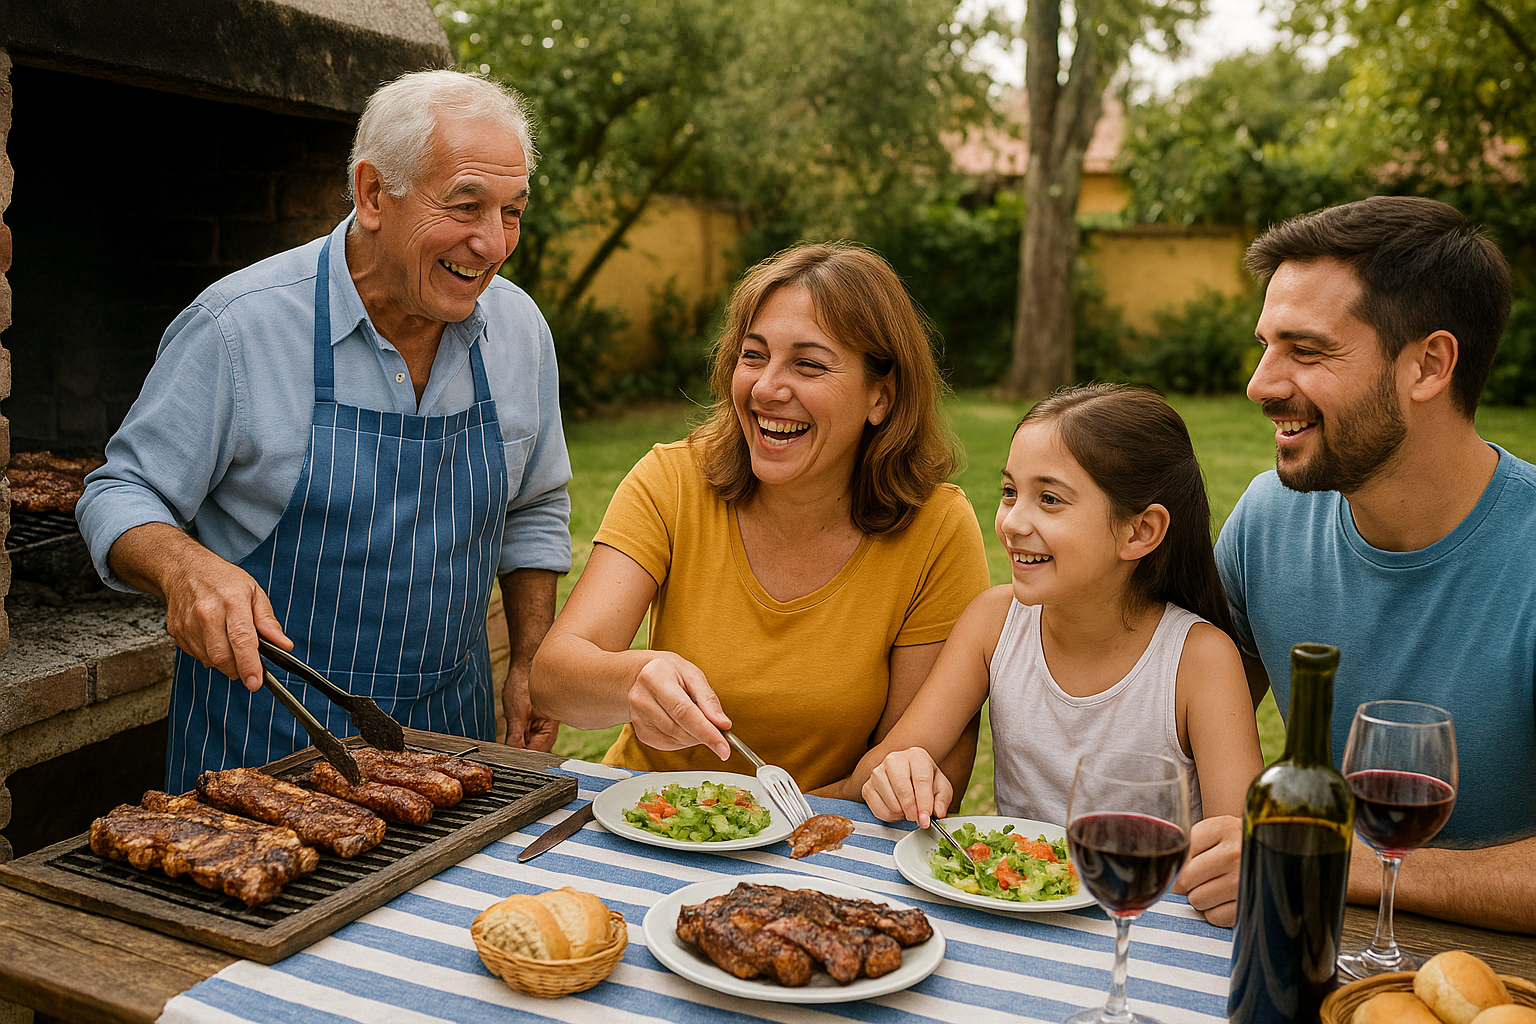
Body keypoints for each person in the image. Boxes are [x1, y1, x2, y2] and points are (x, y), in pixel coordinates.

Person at [76, 70, 573, 792]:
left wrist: (530, 657)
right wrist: (184, 567)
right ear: (373, 194)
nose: (493, 244)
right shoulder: (238, 327)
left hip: (452, 751)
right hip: (262, 756)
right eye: (466, 205)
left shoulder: (519, 329)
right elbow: (119, 492)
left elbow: (534, 508)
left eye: (512, 211)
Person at [529, 242, 990, 793]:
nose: (767, 388)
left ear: (881, 398)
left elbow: (908, 760)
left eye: (809, 364)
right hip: (643, 820)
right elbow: (553, 678)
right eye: (753, 356)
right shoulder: (672, 481)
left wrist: (764, 831)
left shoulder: (935, 528)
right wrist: (633, 677)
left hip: (820, 840)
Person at [1207, 195, 1536, 934]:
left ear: (1429, 364)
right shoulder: (1266, 519)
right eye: (1265, 344)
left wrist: (1333, 860)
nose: (1261, 383)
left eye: (1307, 349)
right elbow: (1164, 731)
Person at [847, 384, 1263, 926]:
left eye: (1049, 499)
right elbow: (873, 774)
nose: (1013, 522)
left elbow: (1236, 856)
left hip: (1143, 927)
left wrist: (1238, 872)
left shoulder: (1200, 661)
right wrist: (896, 771)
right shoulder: (992, 623)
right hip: (1014, 912)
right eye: (1009, 491)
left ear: (1140, 531)